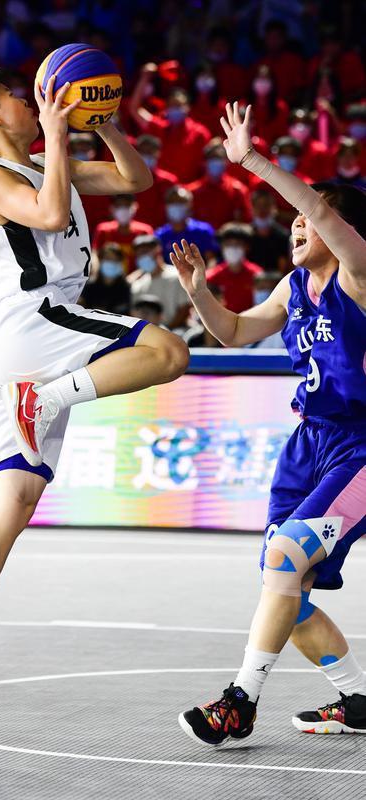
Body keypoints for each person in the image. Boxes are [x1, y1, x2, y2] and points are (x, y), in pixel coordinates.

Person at [0, 65, 188, 720]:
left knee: (14, 500)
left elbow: (136, 180)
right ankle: (45, 400)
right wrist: (61, 133)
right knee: (168, 352)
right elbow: (51, 212)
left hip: (21, 347)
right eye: (15, 95)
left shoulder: (43, 163)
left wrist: (105, 124)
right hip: (39, 320)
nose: (29, 101)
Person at [171, 101, 366, 746]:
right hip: (308, 445)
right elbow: (231, 333)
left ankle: (239, 702)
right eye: (293, 222)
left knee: (285, 560)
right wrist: (199, 292)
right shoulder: (293, 287)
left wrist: (252, 160)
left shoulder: (359, 276)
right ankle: (357, 701)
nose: (296, 226)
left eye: (308, 218)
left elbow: (321, 213)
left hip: (360, 447)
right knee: (287, 586)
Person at [129, 64, 211, 183]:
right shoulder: (158, 127)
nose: (175, 108)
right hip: (160, 188)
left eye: (179, 105)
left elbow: (206, 165)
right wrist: (145, 78)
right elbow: (134, 109)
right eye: (172, 105)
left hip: (188, 191)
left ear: (188, 107)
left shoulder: (200, 133)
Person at [187, 139, 252, 230]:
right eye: (212, 158)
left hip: (228, 237)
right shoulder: (192, 192)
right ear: (204, 163)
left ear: (227, 161)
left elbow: (245, 222)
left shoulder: (238, 190)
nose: (215, 162)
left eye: (219, 158)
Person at [129, 234, 190, 329]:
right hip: (148, 334)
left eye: (145, 251)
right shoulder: (137, 284)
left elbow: (184, 309)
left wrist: (167, 332)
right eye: (139, 253)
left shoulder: (177, 275)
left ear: (158, 251)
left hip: (177, 331)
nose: (142, 256)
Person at [155, 185, 218, 265]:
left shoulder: (203, 231)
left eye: (181, 202)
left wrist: (201, 272)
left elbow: (211, 260)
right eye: (172, 202)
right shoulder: (160, 235)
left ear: (189, 205)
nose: (176, 205)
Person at [92, 194, 153, 273]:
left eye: (127, 205)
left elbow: (151, 259)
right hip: (108, 278)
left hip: (138, 278)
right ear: (112, 208)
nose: (123, 209)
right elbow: (95, 256)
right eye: (119, 205)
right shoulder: (103, 231)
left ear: (135, 206)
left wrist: (135, 277)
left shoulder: (144, 231)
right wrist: (95, 271)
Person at [133, 134, 178, 229]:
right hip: (136, 231)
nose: (147, 155)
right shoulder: (128, 179)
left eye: (150, 152)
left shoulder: (168, 182)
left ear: (158, 153)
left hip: (161, 232)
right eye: (143, 152)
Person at [79, 242, 130, 314]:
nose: (112, 262)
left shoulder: (126, 288)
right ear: (100, 260)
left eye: (116, 260)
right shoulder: (89, 286)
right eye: (108, 259)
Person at [248, 188, 291, 273]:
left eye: (266, 205)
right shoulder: (246, 235)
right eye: (258, 205)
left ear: (274, 208)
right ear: (252, 208)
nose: (262, 210)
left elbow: (285, 265)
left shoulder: (283, 235)